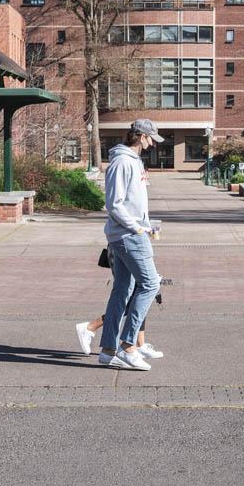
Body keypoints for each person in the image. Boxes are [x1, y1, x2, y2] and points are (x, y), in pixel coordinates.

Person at [95, 119, 165, 370]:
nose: (151, 144)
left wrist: (145, 224)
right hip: (128, 235)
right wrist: (137, 227)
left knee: (123, 291)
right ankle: (127, 345)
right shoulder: (123, 162)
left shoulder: (133, 162)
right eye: (150, 139)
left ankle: (107, 350)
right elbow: (115, 204)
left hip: (129, 233)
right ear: (140, 136)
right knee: (150, 283)